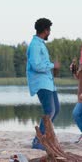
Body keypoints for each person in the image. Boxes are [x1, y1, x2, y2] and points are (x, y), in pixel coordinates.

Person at [27, 18, 61, 150]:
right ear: (45, 30)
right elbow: (36, 65)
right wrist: (53, 65)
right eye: (49, 30)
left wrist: (52, 68)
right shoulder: (35, 45)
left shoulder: (40, 44)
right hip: (41, 83)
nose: (50, 33)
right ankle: (38, 141)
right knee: (49, 110)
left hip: (48, 83)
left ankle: (46, 137)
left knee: (56, 109)